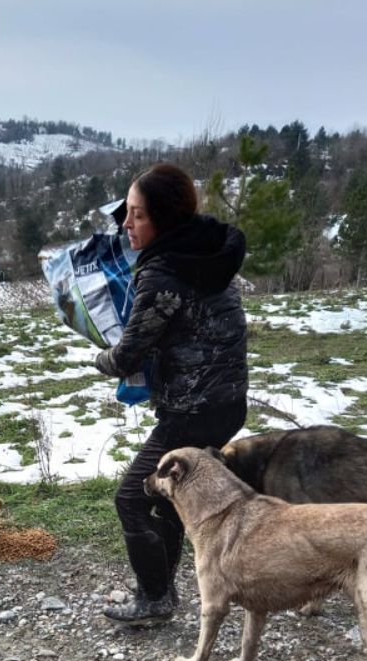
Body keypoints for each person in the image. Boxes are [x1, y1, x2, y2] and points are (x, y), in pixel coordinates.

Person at [95, 162, 248, 623]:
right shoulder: (208, 250)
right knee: (167, 494)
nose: (126, 224)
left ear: (162, 218)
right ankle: (163, 589)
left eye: (137, 215)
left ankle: (156, 598)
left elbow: (128, 355)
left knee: (133, 497)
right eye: (127, 213)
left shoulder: (162, 272)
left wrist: (100, 355)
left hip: (192, 410)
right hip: (228, 403)